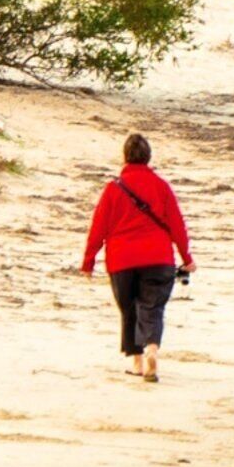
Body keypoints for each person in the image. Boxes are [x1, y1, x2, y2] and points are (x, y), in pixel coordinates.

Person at [80, 132, 195, 382]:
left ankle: (137, 362)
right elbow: (177, 225)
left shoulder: (113, 189)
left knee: (129, 308)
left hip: (122, 260)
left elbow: (98, 227)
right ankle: (152, 348)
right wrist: (187, 257)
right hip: (159, 257)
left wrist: (88, 261)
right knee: (152, 307)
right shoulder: (162, 187)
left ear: (125, 157)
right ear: (148, 157)